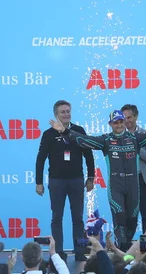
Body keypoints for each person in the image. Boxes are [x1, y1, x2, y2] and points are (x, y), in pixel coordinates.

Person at [51, 109, 146, 250]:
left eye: (121, 121)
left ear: (124, 122)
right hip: (116, 186)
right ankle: (123, 249)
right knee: (120, 218)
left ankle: (126, 247)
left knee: (132, 221)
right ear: (110, 124)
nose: (119, 125)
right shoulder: (105, 140)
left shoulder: (135, 138)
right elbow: (85, 140)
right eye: (116, 123)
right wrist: (65, 131)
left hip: (133, 186)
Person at [36, 100, 95, 261]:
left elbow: (88, 156)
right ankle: (58, 252)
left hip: (76, 180)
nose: (66, 114)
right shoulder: (48, 134)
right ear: (56, 115)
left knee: (78, 218)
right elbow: (40, 159)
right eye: (62, 112)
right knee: (57, 217)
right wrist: (39, 182)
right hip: (56, 181)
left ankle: (79, 251)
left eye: (68, 111)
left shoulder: (78, 130)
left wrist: (91, 178)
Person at [122, 104, 146, 232]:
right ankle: (125, 245)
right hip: (125, 180)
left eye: (130, 117)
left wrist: (136, 147)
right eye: (124, 118)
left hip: (142, 179)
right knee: (127, 216)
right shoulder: (118, 136)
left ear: (136, 117)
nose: (127, 121)